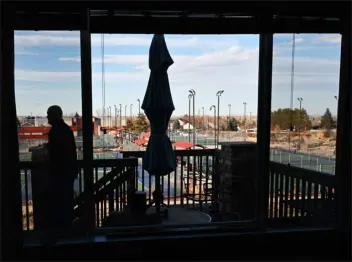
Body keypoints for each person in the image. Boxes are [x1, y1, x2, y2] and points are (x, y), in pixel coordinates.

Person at [46, 105, 78, 234]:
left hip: (60, 173)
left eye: (49, 114)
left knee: (60, 203)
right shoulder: (65, 129)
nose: (47, 117)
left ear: (54, 115)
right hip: (67, 172)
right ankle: (66, 229)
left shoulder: (56, 131)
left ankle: (62, 230)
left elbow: (56, 153)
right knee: (65, 201)